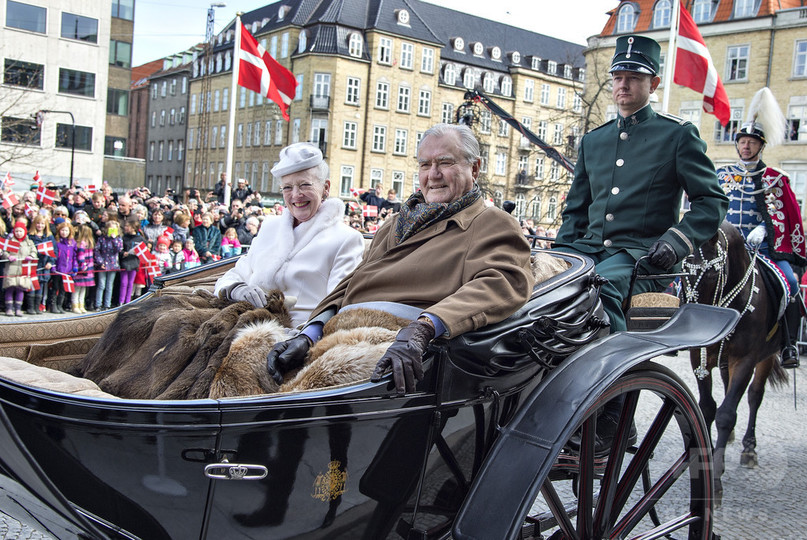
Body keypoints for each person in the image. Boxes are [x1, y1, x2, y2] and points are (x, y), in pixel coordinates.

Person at [553, 35, 728, 450]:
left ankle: (614, 413)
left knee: (600, 290)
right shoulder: (594, 141)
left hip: (642, 258)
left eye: (633, 77)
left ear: (652, 84)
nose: (622, 86)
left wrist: (678, 239)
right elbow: (576, 211)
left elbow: (711, 201)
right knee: (540, 290)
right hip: (589, 250)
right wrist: (558, 257)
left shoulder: (677, 136)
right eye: (618, 77)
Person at [266, 124, 535, 394]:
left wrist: (426, 327)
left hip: (394, 339)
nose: (433, 175)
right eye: (425, 164)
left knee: (293, 398)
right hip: (337, 332)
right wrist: (309, 333)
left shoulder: (491, 222)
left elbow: (501, 282)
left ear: (474, 169)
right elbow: (354, 281)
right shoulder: (397, 223)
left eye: (445, 163)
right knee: (251, 364)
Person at [214, 142, 364, 328]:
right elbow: (236, 274)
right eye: (287, 188)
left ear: (325, 188)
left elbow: (338, 304)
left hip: (295, 337)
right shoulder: (270, 226)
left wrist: (306, 336)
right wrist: (236, 289)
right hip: (244, 324)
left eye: (305, 185)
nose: (296, 195)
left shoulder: (346, 239)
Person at [717, 87, 806, 368]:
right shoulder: (721, 175)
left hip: (763, 250)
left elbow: (789, 217)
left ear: (760, 146)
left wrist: (766, 231)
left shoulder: (776, 179)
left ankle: (788, 344)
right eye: (742, 141)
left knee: (791, 283)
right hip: (725, 247)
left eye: (752, 142)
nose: (746, 146)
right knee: (693, 277)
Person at [2, 221, 37, 317]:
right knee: (10, 288)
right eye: (16, 231)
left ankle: (18, 309)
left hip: (23, 269)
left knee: (20, 289)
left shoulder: (29, 242)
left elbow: (34, 251)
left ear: (24, 231)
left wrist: (31, 256)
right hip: (11, 268)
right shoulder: (10, 241)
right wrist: (8, 256)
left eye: (20, 231)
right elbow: (3, 251)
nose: (18, 233)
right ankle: (9, 308)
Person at [28, 215, 56, 314]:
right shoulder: (30, 235)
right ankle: (30, 307)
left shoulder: (49, 236)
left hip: (44, 265)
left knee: (40, 286)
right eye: (38, 223)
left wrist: (50, 262)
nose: (40, 225)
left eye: (42, 223)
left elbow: (54, 251)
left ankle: (37, 306)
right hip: (34, 265)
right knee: (32, 285)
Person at [93, 220, 123, 311]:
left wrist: (114, 239)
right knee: (101, 285)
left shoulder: (118, 239)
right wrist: (100, 262)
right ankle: (98, 304)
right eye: (110, 229)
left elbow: (119, 249)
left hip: (113, 264)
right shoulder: (102, 239)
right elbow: (97, 251)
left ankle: (107, 304)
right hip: (103, 264)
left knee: (110, 285)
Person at [50, 220, 77, 314]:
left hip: (67, 270)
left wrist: (75, 267)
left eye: (66, 231)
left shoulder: (72, 243)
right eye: (62, 230)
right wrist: (53, 266)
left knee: (63, 288)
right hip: (58, 270)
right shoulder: (56, 242)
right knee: (55, 287)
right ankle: (53, 305)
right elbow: (53, 254)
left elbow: (74, 256)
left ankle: (59, 305)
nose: (64, 232)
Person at [118, 218, 143, 306]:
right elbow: (119, 249)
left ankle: (128, 301)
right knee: (124, 283)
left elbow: (144, 250)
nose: (125, 227)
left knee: (130, 283)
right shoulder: (124, 237)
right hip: (125, 262)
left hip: (134, 263)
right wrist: (122, 253)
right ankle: (121, 301)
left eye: (127, 226)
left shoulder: (140, 238)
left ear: (133, 228)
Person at [73, 223, 95, 313]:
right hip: (83, 269)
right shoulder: (81, 244)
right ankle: (75, 305)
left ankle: (81, 305)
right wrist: (82, 266)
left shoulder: (89, 243)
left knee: (83, 288)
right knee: (77, 289)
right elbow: (80, 256)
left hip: (88, 269)